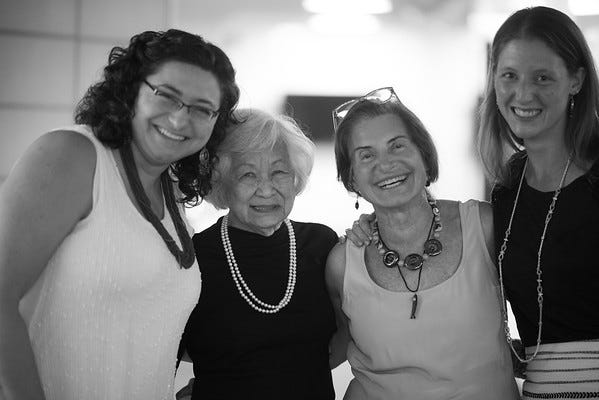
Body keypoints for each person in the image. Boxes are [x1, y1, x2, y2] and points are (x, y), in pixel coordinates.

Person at [0, 29, 239, 400]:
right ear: (131, 90)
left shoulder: (170, 191)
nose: (180, 120)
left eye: (201, 108)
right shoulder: (72, 155)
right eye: (166, 95)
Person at [326, 87, 519, 400]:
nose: (385, 164)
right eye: (366, 155)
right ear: (351, 179)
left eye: (397, 146)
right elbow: (328, 349)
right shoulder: (342, 263)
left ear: (424, 155)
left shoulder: (485, 225)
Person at [478, 6, 599, 398]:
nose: (524, 94)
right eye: (509, 75)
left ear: (576, 80)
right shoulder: (507, 189)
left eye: (542, 77)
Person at [176, 108, 338, 400]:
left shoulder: (322, 245)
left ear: (295, 178)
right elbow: (170, 347)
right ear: (222, 180)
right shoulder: (194, 258)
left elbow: (349, 332)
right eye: (248, 174)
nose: (266, 189)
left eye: (279, 172)